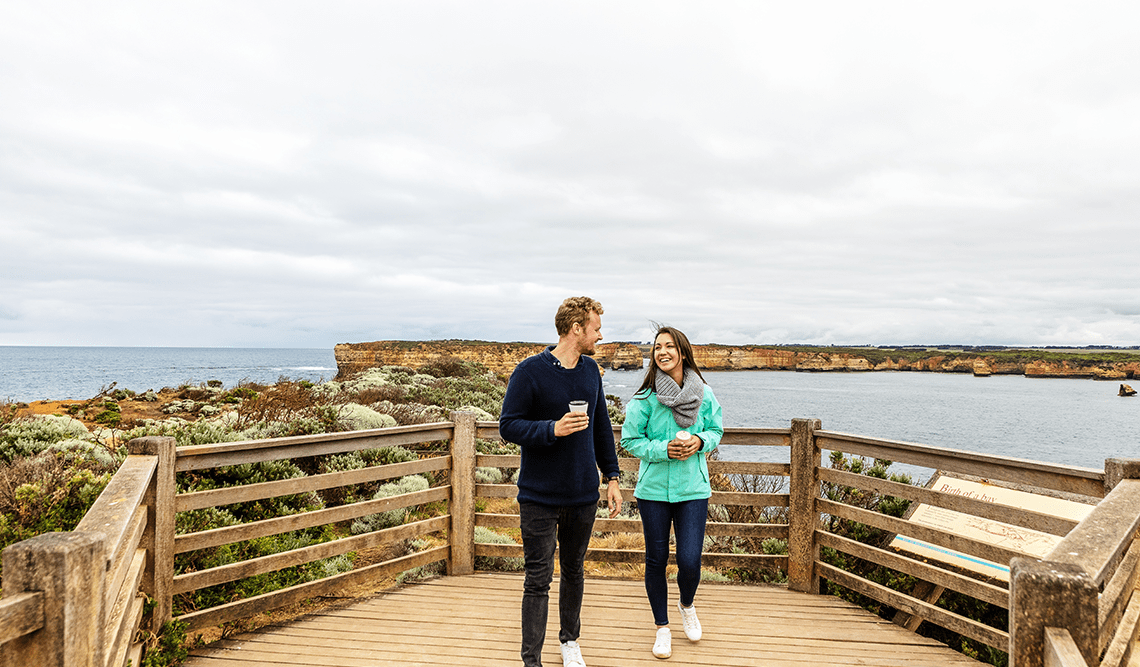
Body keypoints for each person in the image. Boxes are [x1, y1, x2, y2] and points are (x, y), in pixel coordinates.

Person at [499, 296, 624, 667]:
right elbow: (509, 425)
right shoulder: (529, 372)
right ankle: (531, 660)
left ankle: (570, 641)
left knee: (573, 570)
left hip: (582, 494)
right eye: (596, 328)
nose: (600, 335)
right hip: (538, 496)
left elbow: (601, 426)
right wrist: (552, 428)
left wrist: (612, 477)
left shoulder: (590, 372)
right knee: (537, 579)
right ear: (576, 329)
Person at [621, 326, 723, 660]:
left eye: (669, 346)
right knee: (656, 559)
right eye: (657, 347)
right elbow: (630, 441)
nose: (662, 352)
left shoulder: (704, 393)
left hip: (693, 488)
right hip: (652, 491)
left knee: (690, 560)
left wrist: (700, 442)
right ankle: (662, 627)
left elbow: (716, 430)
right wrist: (663, 449)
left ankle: (687, 605)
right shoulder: (645, 399)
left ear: (682, 351)